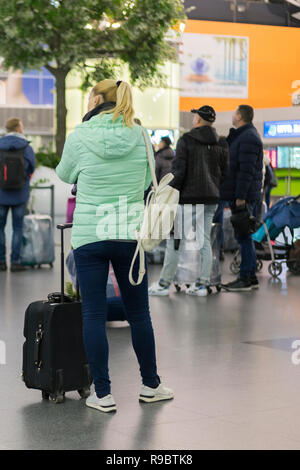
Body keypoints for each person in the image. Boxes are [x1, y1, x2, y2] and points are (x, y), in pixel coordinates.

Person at [56, 79, 173, 413]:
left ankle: (103, 394)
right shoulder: (140, 135)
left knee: (92, 313)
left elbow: (65, 175)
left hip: (90, 235)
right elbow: (142, 183)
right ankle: (151, 385)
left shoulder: (81, 134)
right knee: (139, 314)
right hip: (129, 235)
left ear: (95, 98)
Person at [148, 105, 229, 297]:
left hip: (188, 199)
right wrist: (215, 189)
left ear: (199, 120)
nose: (193, 119)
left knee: (175, 240)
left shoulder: (187, 140)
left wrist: (170, 192)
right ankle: (202, 284)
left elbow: (179, 170)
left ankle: (164, 283)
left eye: (195, 117)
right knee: (204, 240)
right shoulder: (221, 143)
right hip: (211, 198)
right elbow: (225, 172)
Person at [221, 105, 263, 292]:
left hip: (243, 197)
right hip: (240, 194)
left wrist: (240, 196)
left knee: (244, 236)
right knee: (244, 235)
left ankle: (246, 277)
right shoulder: (243, 136)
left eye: (234, 112)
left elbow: (246, 170)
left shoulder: (248, 138)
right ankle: (250, 277)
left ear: (239, 116)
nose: (232, 115)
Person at [0, 118, 36, 272]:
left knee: (0, 228)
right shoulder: (26, 146)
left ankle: (1, 262)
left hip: (1, 193)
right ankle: (15, 262)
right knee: (18, 228)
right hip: (20, 193)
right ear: (17, 127)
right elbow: (32, 166)